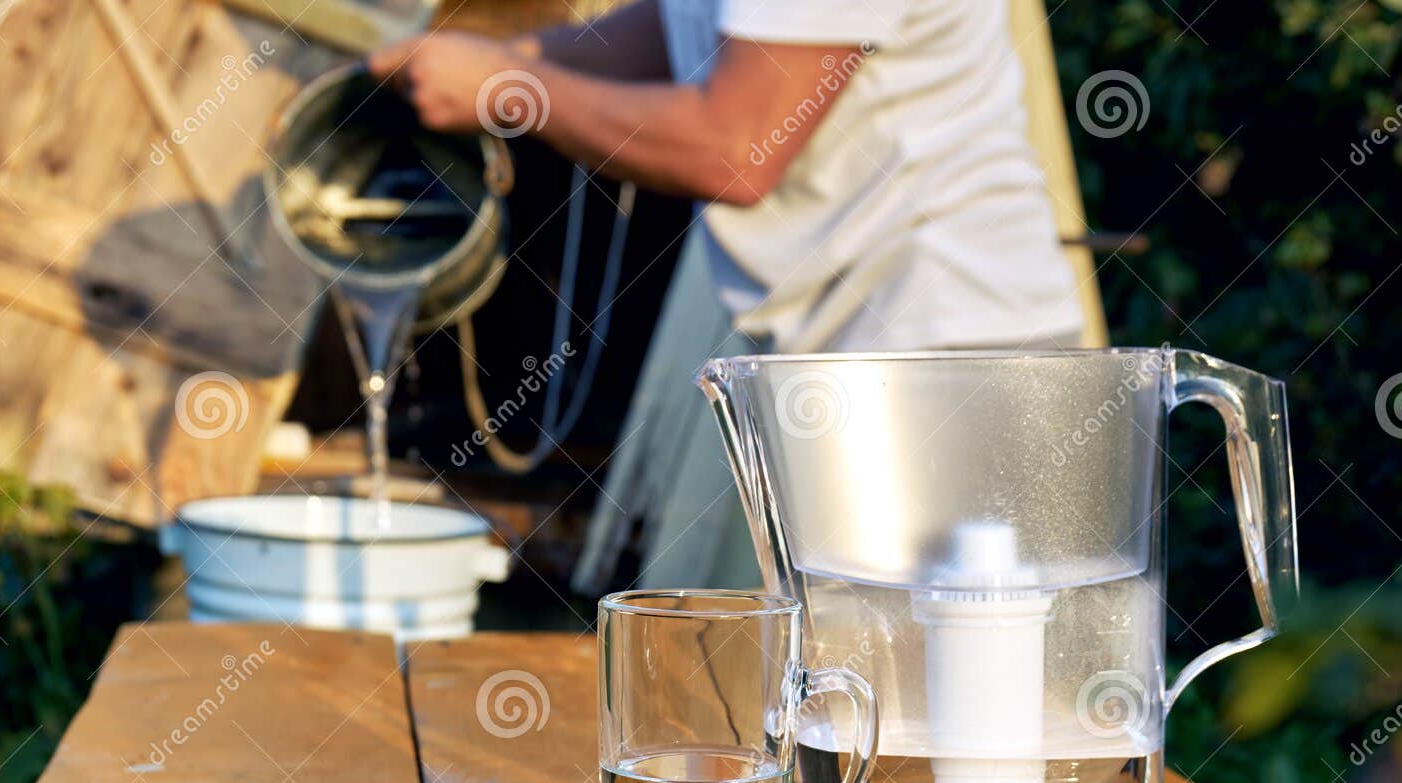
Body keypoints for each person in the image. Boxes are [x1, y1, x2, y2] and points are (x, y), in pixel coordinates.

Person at [370, 0, 1082, 587]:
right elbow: (690, 24)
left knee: (954, 726)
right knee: (847, 714)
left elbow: (739, 147)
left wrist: (507, 87)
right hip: (858, 360)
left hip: (948, 367)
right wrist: (520, 57)